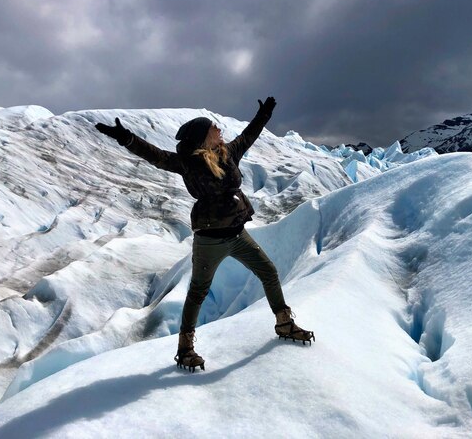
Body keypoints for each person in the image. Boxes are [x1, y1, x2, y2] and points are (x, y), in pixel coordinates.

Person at [94, 97, 314, 372]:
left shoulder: (227, 153)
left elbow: (248, 136)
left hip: (237, 234)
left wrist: (264, 115)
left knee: (268, 271)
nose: (219, 130)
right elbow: (156, 157)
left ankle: (284, 323)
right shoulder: (188, 163)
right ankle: (185, 349)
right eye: (214, 127)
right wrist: (126, 138)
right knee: (198, 291)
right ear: (203, 136)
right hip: (209, 241)